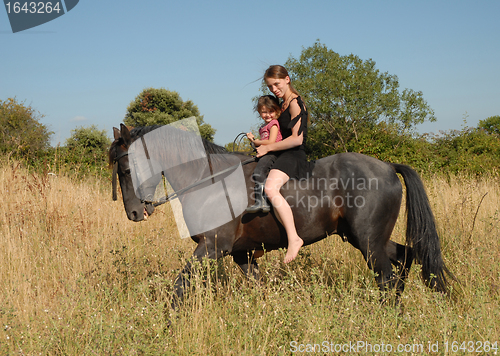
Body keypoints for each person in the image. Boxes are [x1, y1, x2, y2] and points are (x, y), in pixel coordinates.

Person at [256, 65, 311, 264]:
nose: (274, 89)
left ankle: (294, 238)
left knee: (270, 188)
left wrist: (269, 149)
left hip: (293, 154)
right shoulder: (282, 102)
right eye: (270, 87)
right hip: (280, 152)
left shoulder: (295, 102)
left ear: (287, 79)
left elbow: (297, 139)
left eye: (276, 84)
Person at [245, 95, 283, 214]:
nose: (267, 115)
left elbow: (271, 142)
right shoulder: (263, 127)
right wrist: (254, 142)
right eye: (264, 112)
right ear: (259, 112)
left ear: (277, 111)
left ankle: (262, 201)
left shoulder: (274, 124)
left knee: (259, 172)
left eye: (271, 111)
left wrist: (256, 141)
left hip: (273, 153)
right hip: (267, 152)